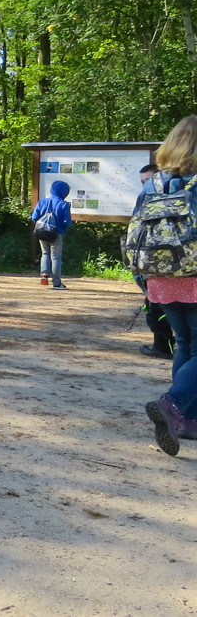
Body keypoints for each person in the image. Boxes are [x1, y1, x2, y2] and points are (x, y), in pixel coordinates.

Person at [140, 116, 197, 455]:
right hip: (194, 275)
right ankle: (173, 405)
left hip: (160, 277)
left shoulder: (154, 185)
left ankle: (186, 420)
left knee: (185, 345)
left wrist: (144, 279)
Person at [135, 163, 176, 359]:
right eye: (142, 182)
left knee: (159, 308)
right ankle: (163, 344)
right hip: (153, 266)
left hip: (172, 267)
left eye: (148, 181)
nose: (145, 186)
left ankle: (164, 346)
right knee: (155, 307)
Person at [30, 180, 72, 289]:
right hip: (56, 234)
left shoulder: (42, 202)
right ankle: (56, 282)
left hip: (42, 232)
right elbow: (67, 222)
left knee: (45, 253)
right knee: (56, 257)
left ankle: (44, 274)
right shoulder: (64, 205)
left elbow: (34, 217)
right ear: (65, 192)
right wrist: (61, 230)